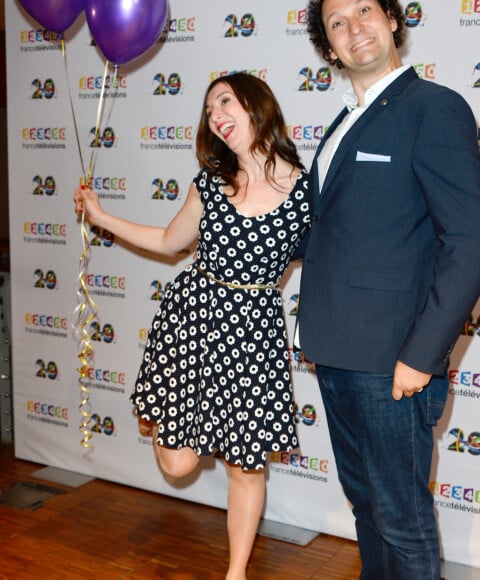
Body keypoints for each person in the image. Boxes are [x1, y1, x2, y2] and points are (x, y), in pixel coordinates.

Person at [74, 72, 310, 580]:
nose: (215, 115)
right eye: (208, 110)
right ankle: (162, 413)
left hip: (254, 336)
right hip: (193, 323)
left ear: (257, 104)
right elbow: (166, 240)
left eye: (224, 101)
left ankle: (236, 572)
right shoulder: (209, 182)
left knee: (246, 467)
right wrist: (100, 216)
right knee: (178, 465)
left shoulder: (308, 190)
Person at [296, 1, 480, 578]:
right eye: (338, 23)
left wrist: (421, 354)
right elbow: (327, 232)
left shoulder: (434, 109)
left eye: (365, 10)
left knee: (403, 523)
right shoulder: (340, 123)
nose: (354, 27)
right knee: (368, 510)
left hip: (393, 364)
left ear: (391, 21)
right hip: (334, 354)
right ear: (329, 48)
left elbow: (471, 239)